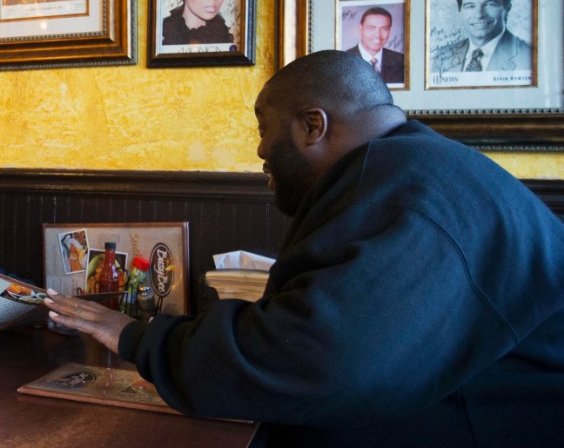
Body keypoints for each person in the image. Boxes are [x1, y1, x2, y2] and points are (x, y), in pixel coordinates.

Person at [46, 49, 564, 446]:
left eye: (263, 127)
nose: (259, 149)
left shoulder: (404, 190)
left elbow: (311, 359)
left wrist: (137, 337)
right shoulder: (406, 170)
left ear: (313, 125)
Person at [431, 0, 531, 73]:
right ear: (460, 11)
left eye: (490, 4)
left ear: (507, 8)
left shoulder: (528, 56)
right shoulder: (442, 56)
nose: (479, 15)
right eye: (470, 6)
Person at [344, 7, 404, 83]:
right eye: (371, 28)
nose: (378, 35)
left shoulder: (401, 61)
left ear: (390, 30)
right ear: (360, 27)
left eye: (384, 28)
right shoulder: (343, 61)